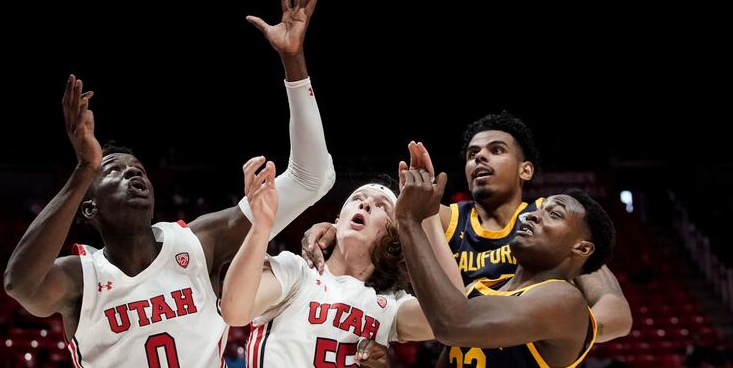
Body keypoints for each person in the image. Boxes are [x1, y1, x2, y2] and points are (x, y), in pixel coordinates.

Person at [3, 0, 335, 367]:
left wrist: (293, 61)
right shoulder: (81, 278)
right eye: (113, 171)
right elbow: (20, 284)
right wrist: (84, 169)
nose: (133, 173)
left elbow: (311, 178)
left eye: (138, 169)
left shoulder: (200, 243)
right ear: (90, 208)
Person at [304, 113, 632, 345]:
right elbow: (387, 226)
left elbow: (616, 314)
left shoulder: (551, 232)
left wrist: (538, 328)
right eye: (473, 154)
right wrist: (332, 230)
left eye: (496, 151)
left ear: (526, 170)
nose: (480, 159)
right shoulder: (446, 219)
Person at [219, 166, 461, 366]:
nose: (365, 205)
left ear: (395, 237)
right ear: (337, 221)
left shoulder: (390, 306)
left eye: (381, 207)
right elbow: (235, 311)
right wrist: (261, 227)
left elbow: (455, 317)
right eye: (357, 199)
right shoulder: (298, 271)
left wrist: (426, 215)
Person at [396, 166, 616, 368]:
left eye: (554, 214)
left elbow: (452, 325)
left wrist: (410, 220)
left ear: (582, 248)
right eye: (539, 209)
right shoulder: (479, 289)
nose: (532, 215)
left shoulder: (566, 300)